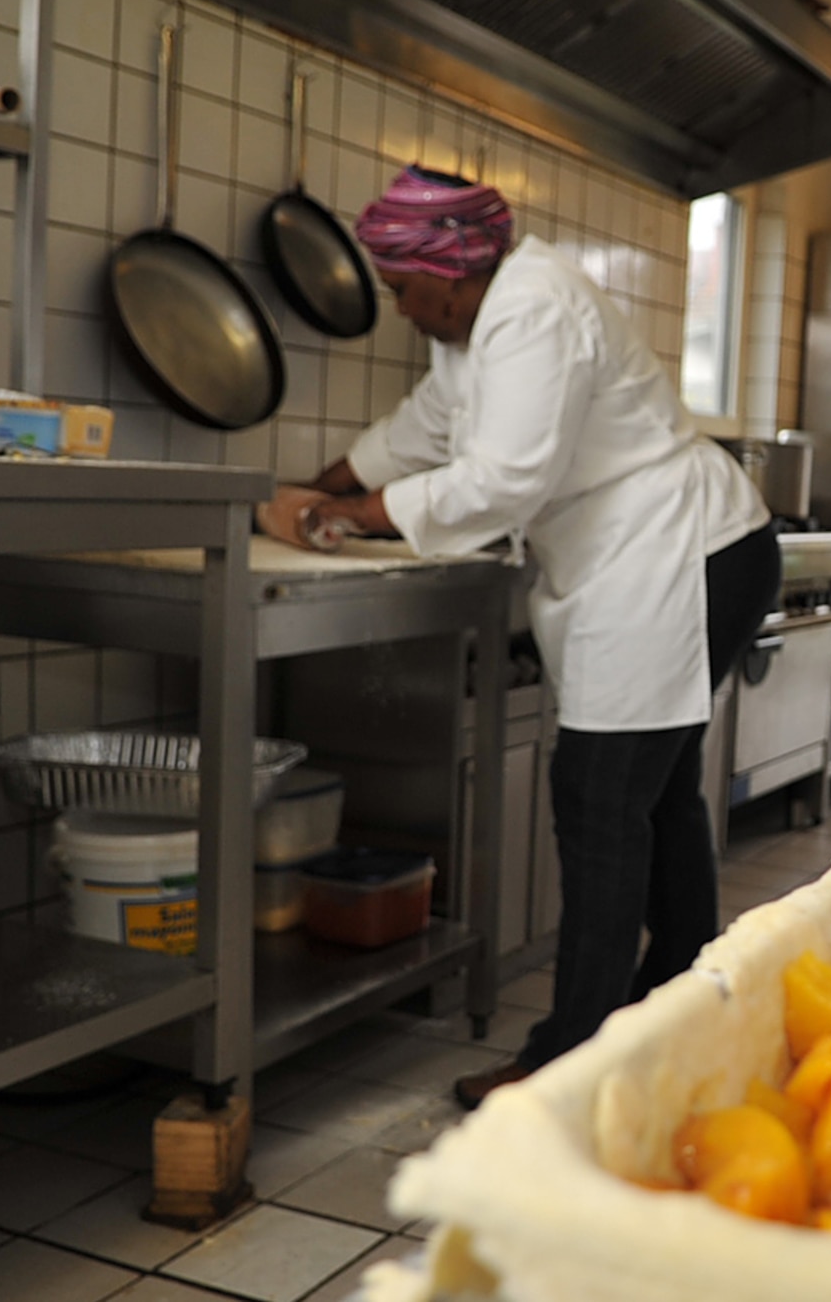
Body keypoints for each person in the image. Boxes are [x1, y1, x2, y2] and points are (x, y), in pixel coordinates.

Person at [256, 166, 779, 1110]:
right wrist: (316, 487)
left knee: (601, 802)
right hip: (669, 555)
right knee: (650, 799)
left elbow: (501, 480)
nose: (400, 309)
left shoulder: (533, 310)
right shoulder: (478, 324)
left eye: (403, 288)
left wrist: (353, 519)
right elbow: (415, 431)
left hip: (680, 551)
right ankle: (684, 1001)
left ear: (448, 271)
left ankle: (567, 1060)